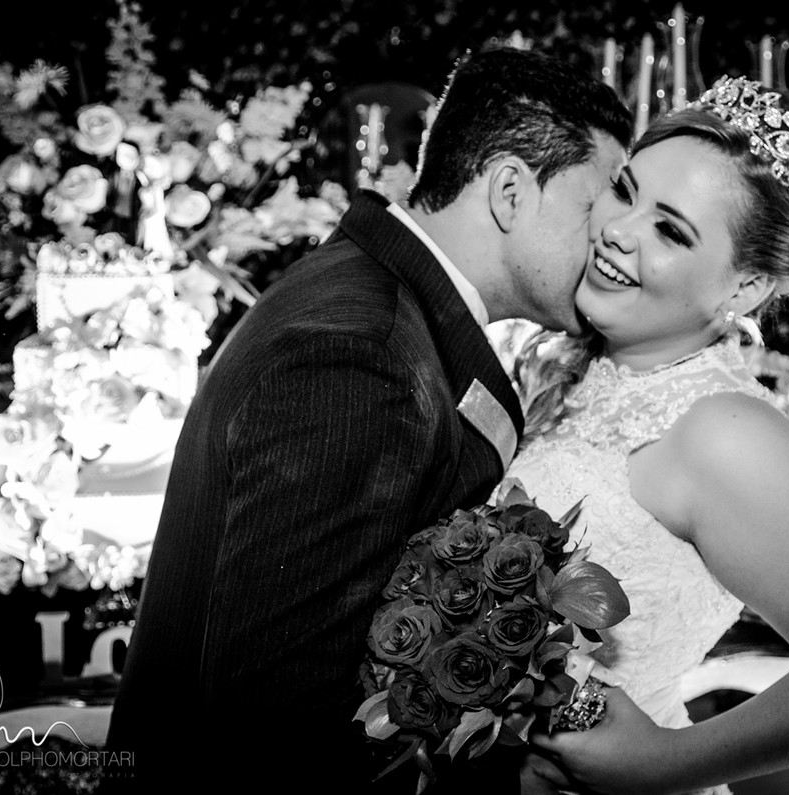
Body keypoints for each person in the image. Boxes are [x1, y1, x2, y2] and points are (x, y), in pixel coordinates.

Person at [103, 47, 630, 793]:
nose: (612, 238)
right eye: (597, 207)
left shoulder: (383, 305)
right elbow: (278, 734)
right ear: (511, 191)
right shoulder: (360, 357)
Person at [508, 77, 789, 794]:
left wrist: (663, 762)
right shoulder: (570, 358)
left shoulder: (727, 432)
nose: (618, 230)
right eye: (625, 190)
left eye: (671, 231)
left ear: (745, 288)